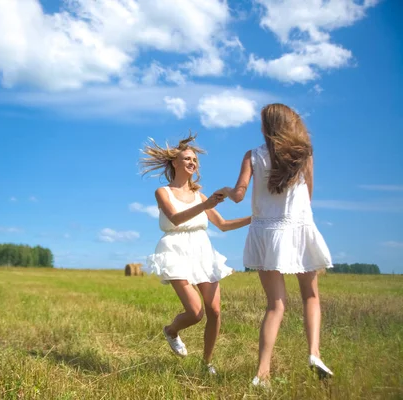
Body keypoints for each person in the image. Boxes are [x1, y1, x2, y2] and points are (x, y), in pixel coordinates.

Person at [218, 103, 333, 386]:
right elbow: (309, 195)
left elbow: (239, 195)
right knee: (310, 295)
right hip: (298, 227)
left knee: (275, 305)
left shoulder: (252, 156)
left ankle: (262, 373)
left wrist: (226, 191)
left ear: (266, 127)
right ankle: (314, 353)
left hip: (266, 232)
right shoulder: (304, 154)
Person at [140, 134, 251, 375]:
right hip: (175, 250)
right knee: (195, 312)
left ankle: (206, 363)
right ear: (174, 163)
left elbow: (223, 225)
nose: (192, 162)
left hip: (202, 251)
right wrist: (206, 205)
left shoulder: (200, 195)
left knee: (215, 311)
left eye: (194, 160)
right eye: (187, 159)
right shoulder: (163, 192)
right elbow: (176, 219)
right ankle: (171, 330)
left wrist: (256, 218)